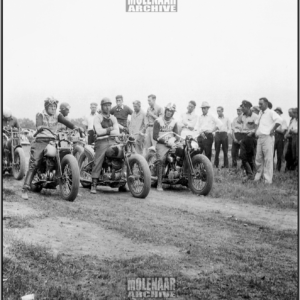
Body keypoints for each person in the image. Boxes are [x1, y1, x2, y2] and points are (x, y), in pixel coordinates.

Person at [21, 97, 83, 200]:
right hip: (41, 140)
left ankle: (73, 188)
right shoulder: (40, 114)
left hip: (53, 139)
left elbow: (66, 122)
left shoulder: (57, 115)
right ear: (46, 107)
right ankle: (25, 188)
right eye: (51, 107)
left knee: (65, 153)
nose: (53, 109)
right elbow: (39, 124)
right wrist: (40, 127)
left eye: (55, 107)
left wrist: (76, 127)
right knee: (35, 162)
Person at [90, 98, 120, 194]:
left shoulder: (113, 118)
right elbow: (99, 131)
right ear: (102, 106)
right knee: (98, 159)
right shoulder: (98, 118)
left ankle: (122, 179)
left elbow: (117, 131)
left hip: (112, 140)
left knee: (121, 154)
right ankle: (94, 183)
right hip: (101, 141)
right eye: (105, 105)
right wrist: (110, 130)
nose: (107, 107)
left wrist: (107, 131)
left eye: (109, 105)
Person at [254, 97, 282, 184]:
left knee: (268, 159)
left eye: (261, 104)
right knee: (258, 158)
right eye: (259, 104)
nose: (259, 105)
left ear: (266, 103)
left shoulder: (271, 112)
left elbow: (279, 120)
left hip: (267, 137)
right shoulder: (260, 113)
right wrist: (256, 132)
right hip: (260, 137)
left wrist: (273, 129)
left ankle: (267, 180)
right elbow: (257, 123)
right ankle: (258, 178)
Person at [153, 103, 179, 192]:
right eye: (168, 110)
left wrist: (174, 140)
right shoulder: (158, 121)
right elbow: (155, 136)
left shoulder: (174, 122)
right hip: (162, 143)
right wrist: (165, 141)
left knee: (180, 155)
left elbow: (177, 135)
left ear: (173, 113)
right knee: (162, 159)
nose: (169, 113)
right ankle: (159, 183)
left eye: (171, 111)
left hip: (171, 143)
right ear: (165, 111)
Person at [238, 100, 259, 181]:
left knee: (250, 157)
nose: (242, 109)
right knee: (243, 156)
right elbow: (239, 122)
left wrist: (252, 132)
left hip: (251, 138)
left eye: (243, 107)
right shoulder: (242, 116)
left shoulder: (255, 116)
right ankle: (249, 174)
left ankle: (253, 175)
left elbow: (257, 128)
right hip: (243, 137)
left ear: (248, 107)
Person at [273, 107, 288, 171]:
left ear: (280, 113)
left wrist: (274, 128)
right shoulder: (273, 120)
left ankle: (278, 168)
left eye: (278, 112)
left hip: (280, 137)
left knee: (279, 154)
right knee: (271, 153)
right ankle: (271, 168)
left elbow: (283, 131)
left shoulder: (283, 120)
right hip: (273, 137)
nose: (276, 113)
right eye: (275, 112)